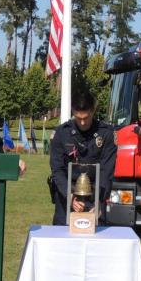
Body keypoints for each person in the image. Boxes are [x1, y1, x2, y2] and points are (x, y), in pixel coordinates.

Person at [49, 91, 116, 225]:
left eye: (86, 117)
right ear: (73, 111)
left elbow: (106, 172)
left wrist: (98, 203)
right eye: (78, 118)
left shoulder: (106, 134)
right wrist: (70, 197)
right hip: (67, 194)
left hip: (95, 195)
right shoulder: (62, 133)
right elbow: (57, 170)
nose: (83, 122)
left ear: (93, 110)